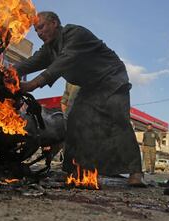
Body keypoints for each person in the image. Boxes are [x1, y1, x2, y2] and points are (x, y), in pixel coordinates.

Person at [15, 11, 145, 186]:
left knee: (117, 119)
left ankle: (136, 172)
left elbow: (63, 62)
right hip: (90, 85)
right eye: (36, 30)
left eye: (41, 27)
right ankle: (74, 170)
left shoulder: (75, 34)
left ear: (54, 23)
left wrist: (32, 85)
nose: (38, 33)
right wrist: (3, 71)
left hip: (111, 77)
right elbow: (30, 63)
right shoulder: (49, 48)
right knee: (75, 119)